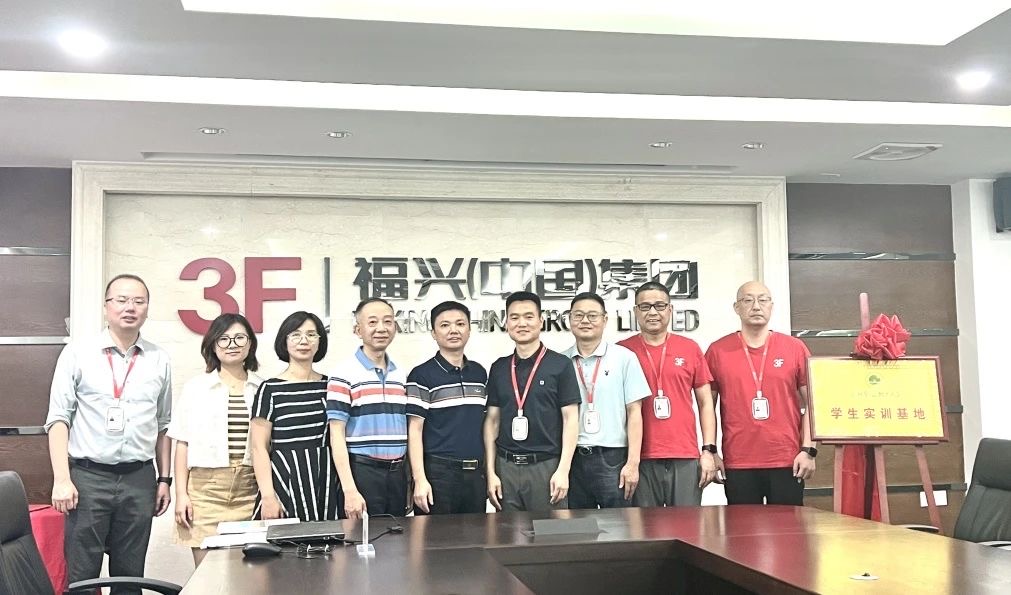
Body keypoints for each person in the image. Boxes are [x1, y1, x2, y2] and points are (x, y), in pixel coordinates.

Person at [45, 274, 172, 594]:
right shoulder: (78, 353)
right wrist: (62, 479)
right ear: (106, 307)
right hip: (88, 479)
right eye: (122, 300)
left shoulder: (159, 358)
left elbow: (163, 424)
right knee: (82, 577)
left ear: (147, 308)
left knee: (130, 576)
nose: (130, 307)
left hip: (139, 479)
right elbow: (58, 419)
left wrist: (164, 479)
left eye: (138, 301)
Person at [704, 280, 817, 505]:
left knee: (788, 526)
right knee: (742, 526)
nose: (756, 306)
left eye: (762, 300)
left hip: (787, 460)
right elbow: (708, 407)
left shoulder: (794, 348)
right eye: (748, 300)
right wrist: (711, 451)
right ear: (736, 307)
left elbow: (814, 404)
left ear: (771, 306)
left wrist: (809, 450)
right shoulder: (718, 351)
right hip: (738, 462)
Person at [169, 313, 263, 565]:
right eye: (223, 338)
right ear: (212, 344)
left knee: (248, 574)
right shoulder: (196, 388)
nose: (232, 344)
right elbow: (182, 444)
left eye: (239, 338)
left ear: (250, 344)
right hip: (205, 493)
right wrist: (181, 495)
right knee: (207, 575)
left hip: (249, 491)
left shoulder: (262, 388)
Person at [617, 281, 719, 507]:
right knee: (644, 525)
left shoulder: (689, 348)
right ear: (636, 311)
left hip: (684, 454)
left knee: (687, 524)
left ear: (670, 310)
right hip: (639, 458)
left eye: (660, 306)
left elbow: (705, 403)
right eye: (645, 307)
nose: (653, 312)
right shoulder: (622, 351)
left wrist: (708, 450)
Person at [484, 291, 580, 512]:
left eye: (529, 316)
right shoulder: (499, 367)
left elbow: (571, 419)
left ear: (540, 321)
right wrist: (491, 472)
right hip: (506, 468)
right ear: (506, 323)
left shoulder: (560, 365)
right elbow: (492, 421)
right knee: (507, 531)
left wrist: (563, 470)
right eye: (514, 317)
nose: (522, 323)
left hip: (546, 467)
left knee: (549, 531)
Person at [250, 311, 341, 520]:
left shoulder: (330, 386)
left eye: (311, 334)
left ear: (320, 342)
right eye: (296, 335)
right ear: (285, 341)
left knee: (331, 538)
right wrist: (268, 496)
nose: (304, 341)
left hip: (325, 479)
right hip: (285, 480)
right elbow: (259, 448)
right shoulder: (270, 389)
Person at [563, 292, 651, 509]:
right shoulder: (560, 362)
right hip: (572, 458)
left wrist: (633, 463)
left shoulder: (624, 358)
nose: (585, 321)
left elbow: (635, 413)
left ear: (604, 320)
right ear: (569, 319)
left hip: (613, 457)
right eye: (578, 315)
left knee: (618, 525)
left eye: (592, 315)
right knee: (578, 524)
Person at [327, 298, 409, 519]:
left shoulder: (401, 374)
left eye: (388, 321)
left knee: (399, 537)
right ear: (358, 330)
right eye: (372, 322)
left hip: (398, 474)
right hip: (362, 473)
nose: (381, 328)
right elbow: (336, 434)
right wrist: (349, 490)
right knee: (360, 538)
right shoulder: (343, 374)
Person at [406, 301, 488, 514]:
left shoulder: (479, 373)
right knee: (436, 535)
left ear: (469, 329)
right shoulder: (421, 375)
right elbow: (414, 429)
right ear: (433, 333)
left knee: (478, 534)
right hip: (438, 474)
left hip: (476, 474)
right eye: (444, 325)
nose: (453, 330)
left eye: (460, 324)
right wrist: (419, 479)